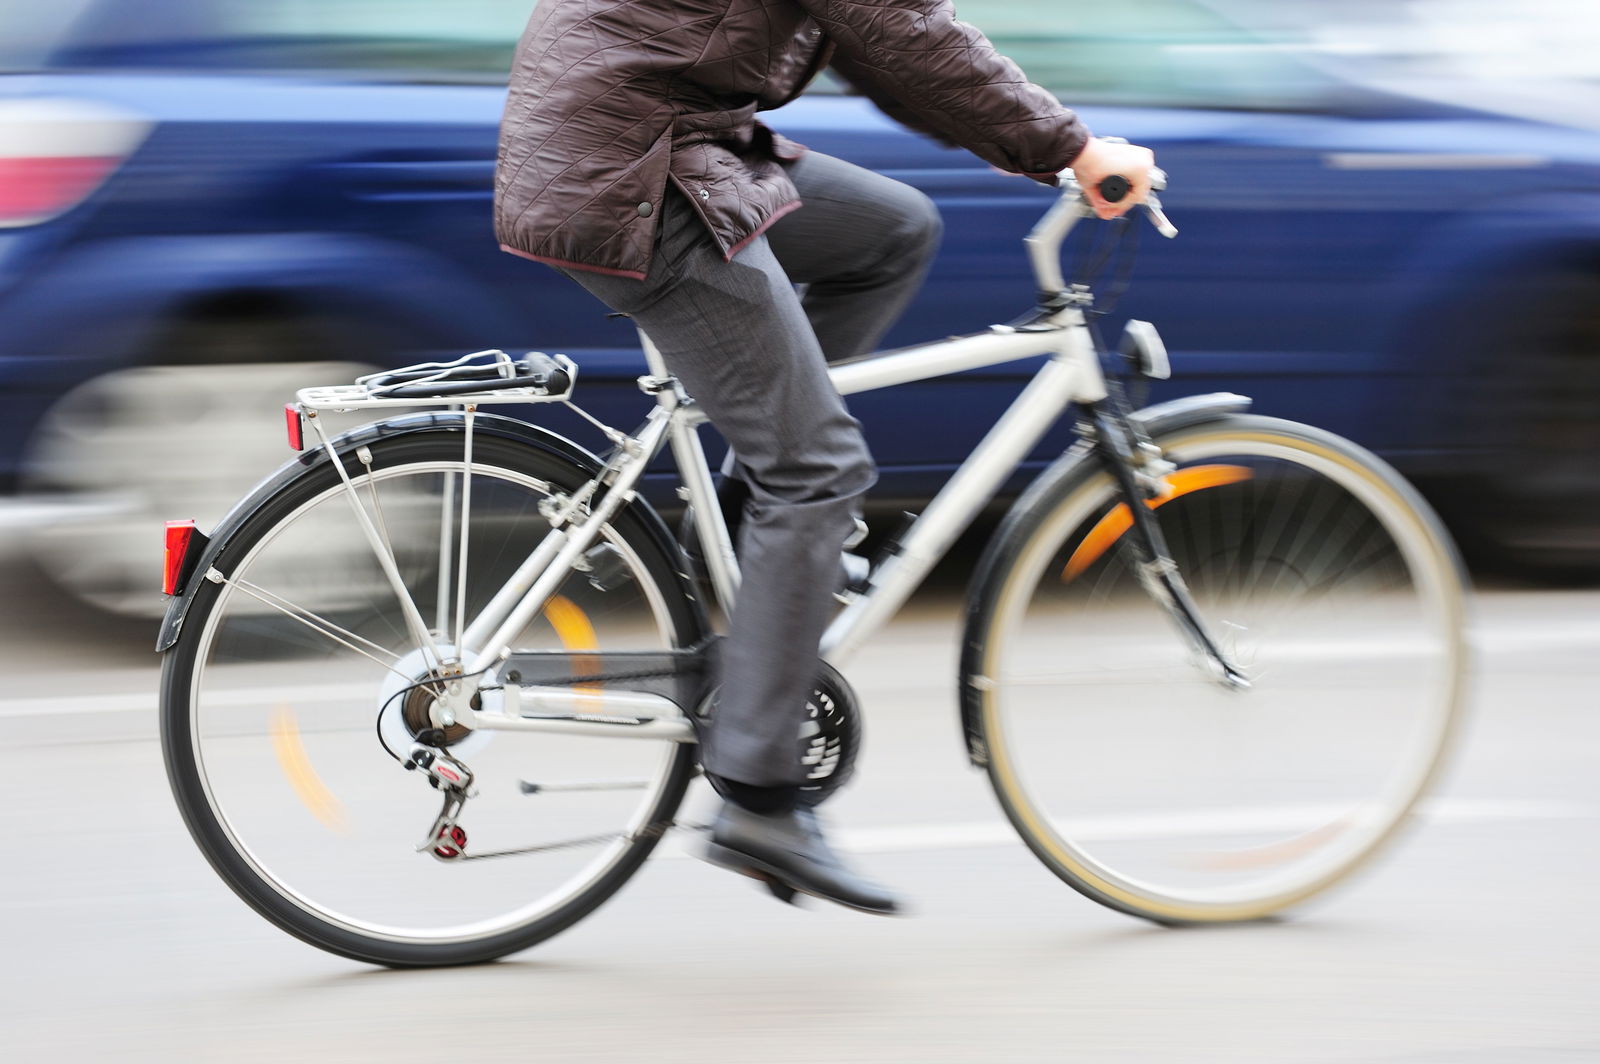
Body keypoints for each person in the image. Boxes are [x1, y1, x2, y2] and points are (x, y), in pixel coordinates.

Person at [495, 0, 1154, 915]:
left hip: (653, 139)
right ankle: (760, 800)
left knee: (892, 229)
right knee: (819, 469)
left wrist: (1022, 145)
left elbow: (877, 42)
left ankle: (756, 531)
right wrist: (1072, 148)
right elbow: (902, 25)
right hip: (640, 167)